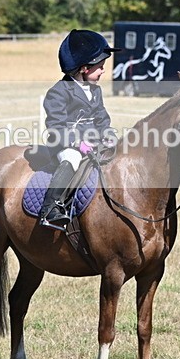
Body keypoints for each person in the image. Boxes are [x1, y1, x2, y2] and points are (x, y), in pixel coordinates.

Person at [39, 29, 119, 231]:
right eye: (100, 67)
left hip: (92, 143)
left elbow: (101, 117)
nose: (103, 71)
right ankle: (50, 209)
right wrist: (78, 143)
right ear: (84, 68)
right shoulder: (58, 92)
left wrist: (108, 134)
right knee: (72, 159)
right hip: (65, 144)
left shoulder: (95, 90)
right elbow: (56, 127)